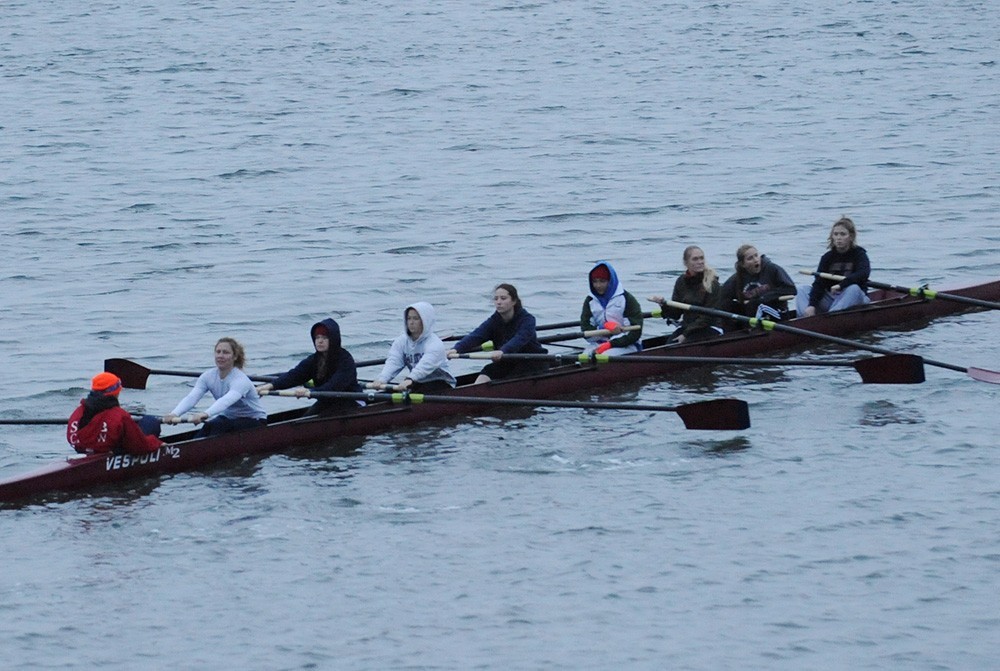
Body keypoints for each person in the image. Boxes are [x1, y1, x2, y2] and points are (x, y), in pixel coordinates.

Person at [255, 318, 363, 415]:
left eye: (325, 338)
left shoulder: (345, 360)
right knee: (306, 418)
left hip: (351, 399)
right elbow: (294, 375)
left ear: (333, 340)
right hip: (327, 400)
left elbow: (335, 385)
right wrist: (270, 386)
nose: (320, 341)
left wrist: (310, 392)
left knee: (321, 420)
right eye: (317, 337)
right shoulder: (314, 360)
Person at [163, 337, 267, 437]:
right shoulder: (208, 376)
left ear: (235, 357)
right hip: (228, 417)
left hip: (255, 420)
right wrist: (174, 413)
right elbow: (192, 397)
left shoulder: (240, 380)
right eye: (218, 352)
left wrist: (205, 414)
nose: (220, 356)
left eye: (225, 352)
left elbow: (226, 400)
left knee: (219, 426)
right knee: (208, 427)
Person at [447, 283, 548, 384]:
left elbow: (520, 338)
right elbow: (477, 335)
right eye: (496, 299)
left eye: (503, 298)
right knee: (487, 371)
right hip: (507, 362)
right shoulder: (494, 321)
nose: (498, 302)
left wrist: (503, 351)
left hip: (532, 361)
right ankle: (475, 391)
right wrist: (456, 349)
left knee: (513, 376)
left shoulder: (528, 320)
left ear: (514, 301)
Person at [368, 302, 456, 393]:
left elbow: (425, 365)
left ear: (425, 321)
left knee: (415, 392)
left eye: (415, 319)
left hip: (441, 382)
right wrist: (382, 379)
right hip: (417, 381)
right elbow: (394, 362)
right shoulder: (401, 341)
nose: (411, 322)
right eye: (409, 318)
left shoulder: (435, 343)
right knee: (388, 395)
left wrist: (410, 379)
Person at [67, 372, 164, 455]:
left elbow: (73, 440)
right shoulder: (119, 415)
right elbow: (140, 447)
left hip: (84, 450)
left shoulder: (78, 411)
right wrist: (157, 442)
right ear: (116, 392)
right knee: (150, 421)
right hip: (111, 451)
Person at [795, 216, 871, 318]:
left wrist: (841, 285)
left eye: (843, 234)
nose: (839, 238)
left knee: (854, 288)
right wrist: (812, 305)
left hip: (854, 297)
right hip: (832, 299)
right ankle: (806, 319)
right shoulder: (827, 257)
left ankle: (831, 319)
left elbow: (863, 273)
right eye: (836, 234)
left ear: (851, 237)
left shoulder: (859, 254)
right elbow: (819, 283)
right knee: (801, 289)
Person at [648, 245, 723, 344]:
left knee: (683, 344)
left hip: (710, 326)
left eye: (702, 258)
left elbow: (708, 317)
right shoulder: (681, 281)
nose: (700, 262)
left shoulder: (712, 283)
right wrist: (663, 304)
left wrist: (685, 334)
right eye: (695, 259)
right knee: (670, 345)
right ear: (686, 263)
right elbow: (675, 314)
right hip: (688, 326)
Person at [719, 244, 796, 324]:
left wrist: (763, 298)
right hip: (752, 313)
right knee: (728, 305)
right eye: (750, 258)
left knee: (756, 305)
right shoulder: (737, 278)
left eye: (756, 255)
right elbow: (722, 298)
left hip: (777, 312)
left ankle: (752, 329)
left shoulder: (772, 269)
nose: (756, 260)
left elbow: (791, 289)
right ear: (743, 264)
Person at [580, 261, 643, 355]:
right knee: (584, 357)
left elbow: (635, 333)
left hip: (627, 344)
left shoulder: (626, 299)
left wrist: (611, 344)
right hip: (599, 342)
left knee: (604, 356)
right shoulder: (590, 300)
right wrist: (603, 327)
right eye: (595, 281)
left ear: (610, 281)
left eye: (602, 281)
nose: (598, 286)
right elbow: (586, 330)